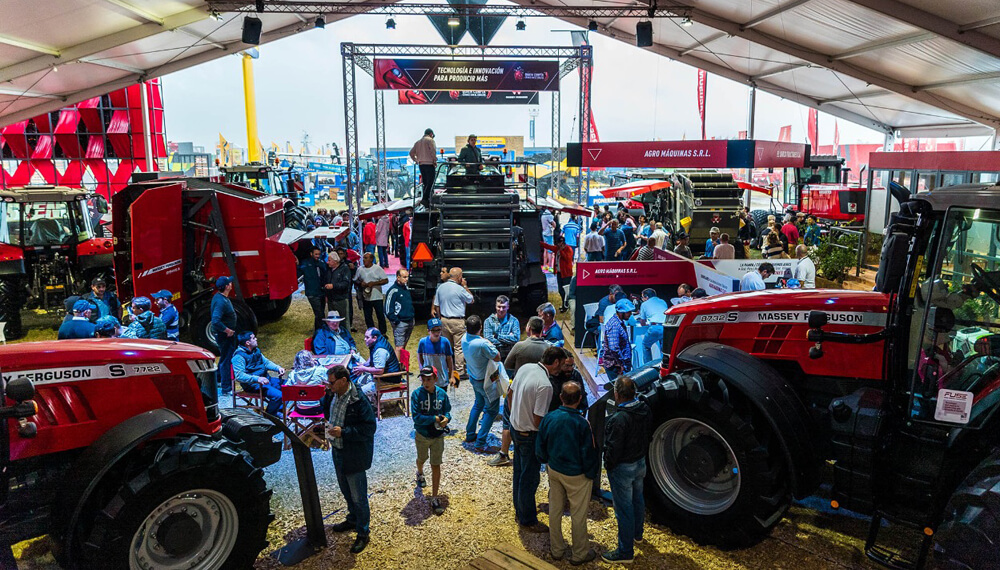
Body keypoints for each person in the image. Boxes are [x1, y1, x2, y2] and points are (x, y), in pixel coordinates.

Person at [536, 381, 598, 565]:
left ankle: (557, 549)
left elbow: (540, 444)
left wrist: (546, 460)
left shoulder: (549, 417)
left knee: (555, 509)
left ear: (561, 397)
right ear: (579, 399)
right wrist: (591, 473)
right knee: (578, 514)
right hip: (576, 474)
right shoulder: (582, 423)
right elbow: (588, 452)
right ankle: (579, 554)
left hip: (554, 469)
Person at [509, 346, 568, 532]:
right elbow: (538, 420)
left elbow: (509, 394)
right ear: (556, 362)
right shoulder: (545, 385)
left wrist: (516, 414)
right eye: (562, 364)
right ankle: (528, 520)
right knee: (530, 478)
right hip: (529, 435)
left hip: (515, 428)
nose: (562, 369)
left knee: (519, 472)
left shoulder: (525, 368)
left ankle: (520, 509)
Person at [325, 364, 376, 554]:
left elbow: (369, 428)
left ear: (343, 380)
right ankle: (353, 519)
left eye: (332, 383)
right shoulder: (334, 394)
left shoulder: (358, 400)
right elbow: (328, 413)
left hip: (354, 454)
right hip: (338, 450)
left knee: (358, 496)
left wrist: (344, 432)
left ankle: (363, 532)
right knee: (346, 490)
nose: (329, 386)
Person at [601, 376, 653, 564]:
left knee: (624, 509)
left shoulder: (619, 419)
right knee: (637, 499)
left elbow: (614, 448)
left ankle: (625, 552)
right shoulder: (645, 409)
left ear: (617, 394)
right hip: (640, 462)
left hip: (623, 467)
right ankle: (637, 534)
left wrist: (608, 464)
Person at [411, 366, 451, 516]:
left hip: (438, 436)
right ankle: (420, 472)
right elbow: (416, 417)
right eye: (423, 379)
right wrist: (434, 418)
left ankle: (434, 497)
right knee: (422, 458)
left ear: (435, 379)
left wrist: (447, 419)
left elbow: (447, 411)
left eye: (429, 379)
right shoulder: (416, 394)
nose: (426, 382)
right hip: (422, 434)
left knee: (436, 464)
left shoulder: (442, 394)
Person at [462, 315, 501, 452]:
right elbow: (497, 357)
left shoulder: (464, 338)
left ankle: (470, 434)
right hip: (485, 381)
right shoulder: (482, 344)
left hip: (474, 377)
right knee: (492, 410)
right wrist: (488, 342)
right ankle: (480, 443)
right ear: (481, 327)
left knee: (478, 404)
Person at [433, 268, 475, 378]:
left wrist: (440, 318)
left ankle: (446, 369)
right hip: (457, 321)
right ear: (459, 277)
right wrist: (465, 286)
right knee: (458, 348)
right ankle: (460, 371)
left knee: (446, 346)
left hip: (444, 320)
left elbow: (436, 305)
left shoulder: (441, 287)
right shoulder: (460, 289)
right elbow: (471, 300)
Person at [232, 332, 285, 415]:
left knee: (288, 386)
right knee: (278, 395)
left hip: (266, 379)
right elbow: (239, 375)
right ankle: (269, 416)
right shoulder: (238, 357)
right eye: (253, 338)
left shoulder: (256, 351)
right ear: (247, 343)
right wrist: (257, 379)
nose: (256, 339)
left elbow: (266, 363)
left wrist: (277, 368)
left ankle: (278, 409)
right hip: (254, 385)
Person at [212, 276, 237, 394]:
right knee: (227, 359)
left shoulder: (219, 297)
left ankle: (217, 378)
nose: (231, 284)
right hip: (224, 336)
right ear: (227, 286)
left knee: (224, 357)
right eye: (229, 283)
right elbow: (215, 320)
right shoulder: (220, 302)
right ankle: (226, 387)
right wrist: (227, 330)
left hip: (224, 335)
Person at [600, 299, 634, 380]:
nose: (630, 314)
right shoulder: (615, 325)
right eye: (628, 312)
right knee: (618, 387)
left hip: (621, 365)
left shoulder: (619, 322)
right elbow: (614, 348)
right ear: (620, 312)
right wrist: (621, 364)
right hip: (616, 367)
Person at [417, 318, 456, 389]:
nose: (436, 333)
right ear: (428, 331)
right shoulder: (423, 342)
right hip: (427, 379)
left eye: (438, 330)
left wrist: (451, 376)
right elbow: (419, 356)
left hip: (442, 379)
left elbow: (449, 360)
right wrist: (421, 370)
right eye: (433, 330)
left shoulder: (445, 342)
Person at [354, 252, 388, 333]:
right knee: (368, 316)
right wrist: (360, 283)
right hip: (366, 297)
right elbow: (355, 280)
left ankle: (383, 332)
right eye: (364, 258)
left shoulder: (377, 269)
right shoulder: (360, 269)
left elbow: (386, 280)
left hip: (377, 296)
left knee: (380, 315)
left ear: (371, 259)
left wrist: (374, 283)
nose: (364, 260)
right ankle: (371, 331)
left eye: (366, 258)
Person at [384, 268, 415, 357]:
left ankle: (402, 363)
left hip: (409, 321)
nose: (406, 279)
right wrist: (396, 321)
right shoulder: (393, 291)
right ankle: (397, 365)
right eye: (404, 277)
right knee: (399, 347)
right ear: (398, 277)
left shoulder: (406, 289)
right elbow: (387, 309)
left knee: (403, 346)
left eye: (407, 277)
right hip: (400, 322)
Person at [287, 350, 328, 416]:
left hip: (301, 409)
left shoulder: (293, 374)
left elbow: (287, 388)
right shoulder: (320, 371)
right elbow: (329, 381)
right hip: (318, 408)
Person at [540, 236, 574, 311]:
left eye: (559, 243)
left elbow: (568, 259)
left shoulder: (568, 249)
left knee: (566, 291)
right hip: (559, 273)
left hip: (566, 274)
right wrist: (540, 243)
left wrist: (561, 251)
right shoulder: (557, 248)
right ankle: (564, 304)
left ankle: (566, 305)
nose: (558, 244)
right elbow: (549, 246)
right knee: (560, 290)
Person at [483, 295, 520, 362]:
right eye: (499, 307)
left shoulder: (514, 320)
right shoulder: (488, 321)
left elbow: (516, 338)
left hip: (509, 357)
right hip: (493, 357)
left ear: (508, 307)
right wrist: (508, 342)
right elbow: (488, 339)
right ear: (495, 306)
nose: (501, 310)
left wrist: (496, 336)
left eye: (504, 307)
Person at [638, 288, 669, 364]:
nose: (642, 299)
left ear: (646, 297)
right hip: (666, 327)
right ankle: (664, 365)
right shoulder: (662, 301)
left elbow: (642, 321)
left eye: (642, 297)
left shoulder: (644, 304)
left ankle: (648, 366)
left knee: (645, 345)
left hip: (655, 328)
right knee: (664, 350)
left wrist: (645, 324)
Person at [300, 246, 329, 330]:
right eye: (316, 254)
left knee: (320, 313)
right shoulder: (305, 264)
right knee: (319, 313)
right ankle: (321, 331)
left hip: (321, 292)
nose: (317, 256)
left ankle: (318, 330)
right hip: (312, 293)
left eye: (319, 254)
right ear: (311, 254)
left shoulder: (321, 263)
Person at [410, 128, 437, 207]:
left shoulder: (417, 142)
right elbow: (433, 151)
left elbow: (411, 153)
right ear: (431, 134)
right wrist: (434, 160)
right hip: (429, 164)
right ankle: (425, 199)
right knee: (430, 182)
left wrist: (416, 160)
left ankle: (427, 200)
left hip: (421, 164)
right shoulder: (430, 140)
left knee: (425, 182)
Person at [325, 252, 353, 324]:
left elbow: (346, 283)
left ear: (335, 261)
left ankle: (344, 331)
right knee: (332, 321)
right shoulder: (329, 270)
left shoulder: (344, 269)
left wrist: (333, 286)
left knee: (343, 321)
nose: (327, 262)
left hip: (341, 299)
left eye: (329, 260)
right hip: (331, 299)